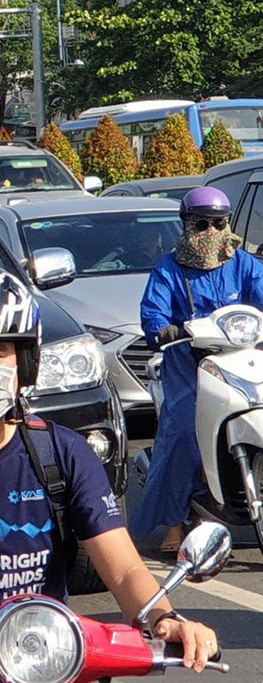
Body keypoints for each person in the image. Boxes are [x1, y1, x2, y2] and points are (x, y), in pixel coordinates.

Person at [0, 259, 220, 669]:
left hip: (42, 659)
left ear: (24, 365)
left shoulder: (61, 455)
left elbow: (123, 570)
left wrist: (164, 618)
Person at [137, 185, 263, 552]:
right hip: (187, 361)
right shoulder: (169, 269)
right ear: (186, 225)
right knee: (180, 432)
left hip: (239, 358)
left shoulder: (244, 263)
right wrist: (162, 328)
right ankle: (175, 523)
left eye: (218, 223)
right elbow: (153, 313)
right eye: (201, 224)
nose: (211, 232)